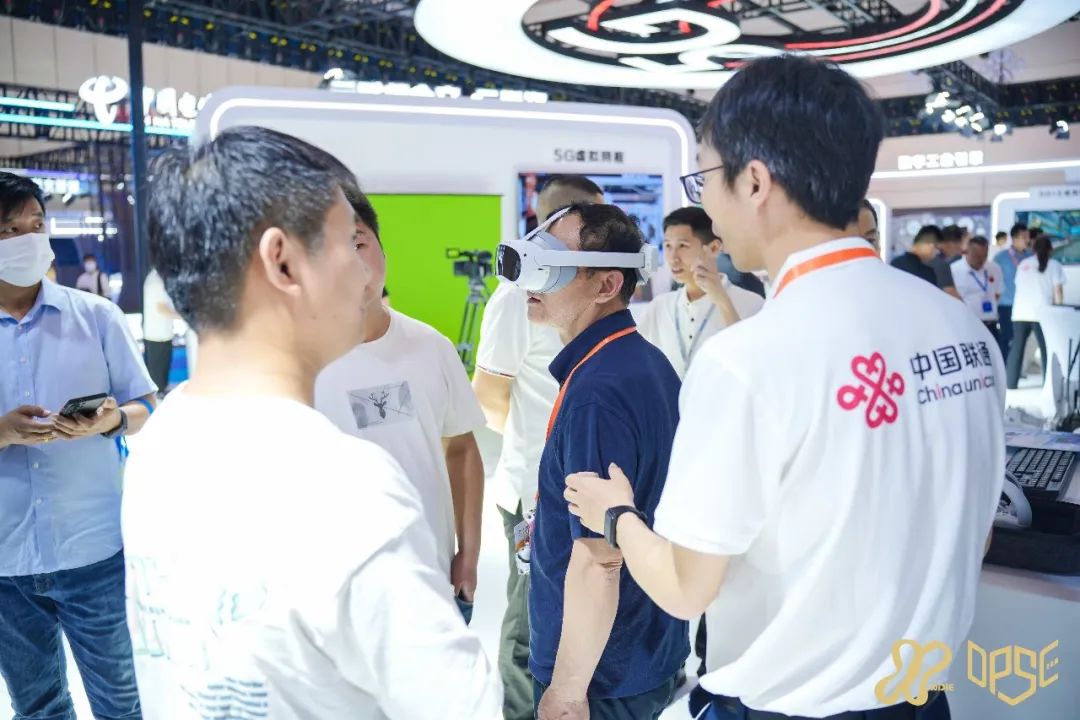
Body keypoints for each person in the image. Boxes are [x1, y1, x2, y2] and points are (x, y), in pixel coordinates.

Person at [565, 55, 1003, 720]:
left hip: (787, 707)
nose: (706, 204)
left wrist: (615, 514)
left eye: (705, 178)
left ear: (755, 181)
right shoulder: (963, 331)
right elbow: (977, 533)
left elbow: (685, 587)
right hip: (921, 698)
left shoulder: (747, 359)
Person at [123, 126, 501, 718]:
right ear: (283, 262)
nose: (364, 273)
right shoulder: (345, 486)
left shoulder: (161, 441)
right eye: (347, 242)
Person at [505, 202, 687, 720]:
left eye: (551, 265)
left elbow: (599, 558)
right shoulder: (640, 362)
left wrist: (566, 691)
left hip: (600, 677)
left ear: (606, 285)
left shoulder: (598, 393)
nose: (530, 280)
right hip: (641, 650)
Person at [0, 171, 157, 719]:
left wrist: (111, 421)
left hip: (93, 550)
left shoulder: (96, 317)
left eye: (35, 224)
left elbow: (145, 406)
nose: (27, 238)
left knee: (120, 704)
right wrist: (4, 432)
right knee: (38, 707)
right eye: (9, 229)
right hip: (5, 562)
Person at [315, 185, 487, 625]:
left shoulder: (431, 346)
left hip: (432, 579)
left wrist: (469, 553)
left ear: (382, 251)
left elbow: (462, 447)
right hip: (339, 597)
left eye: (358, 244)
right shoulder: (301, 363)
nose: (351, 264)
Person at [472, 174, 603, 720]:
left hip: (586, 488)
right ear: (558, 223)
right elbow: (489, 394)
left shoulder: (591, 287)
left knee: (582, 616)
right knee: (531, 625)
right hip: (534, 491)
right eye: (594, 220)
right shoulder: (516, 296)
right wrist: (543, 451)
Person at [638, 206, 764, 379]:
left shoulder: (752, 303)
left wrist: (722, 300)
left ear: (713, 248)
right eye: (667, 245)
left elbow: (753, 366)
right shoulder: (658, 308)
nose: (673, 258)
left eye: (683, 246)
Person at [1007, 233, 1065, 389]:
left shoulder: (1024, 264)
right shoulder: (1054, 265)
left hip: (1020, 312)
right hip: (1043, 313)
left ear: (1033, 249)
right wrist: (1059, 311)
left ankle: (1010, 383)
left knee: (1017, 348)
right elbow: (1058, 292)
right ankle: (1048, 383)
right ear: (1050, 250)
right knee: (1046, 348)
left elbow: (1017, 285)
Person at [993, 223, 1032, 362]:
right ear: (1014, 238)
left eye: (1028, 237)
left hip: (1025, 305)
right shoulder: (1000, 258)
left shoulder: (1031, 257)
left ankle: (1015, 368)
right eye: (1023, 237)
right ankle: (1003, 366)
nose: (1027, 240)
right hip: (1006, 304)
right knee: (1006, 337)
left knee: (1020, 340)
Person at [951, 235, 1002, 341]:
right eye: (977, 256)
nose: (981, 260)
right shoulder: (954, 270)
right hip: (967, 324)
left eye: (985, 256)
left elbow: (998, 293)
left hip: (990, 322)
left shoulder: (994, 268)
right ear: (967, 252)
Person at [143, 268, 180, 397]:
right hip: (158, 333)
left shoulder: (156, 278)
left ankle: (161, 391)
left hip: (160, 331)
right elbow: (161, 308)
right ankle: (158, 395)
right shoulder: (156, 281)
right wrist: (182, 316)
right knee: (158, 373)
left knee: (161, 372)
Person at [926, 225, 962, 298]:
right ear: (951, 244)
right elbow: (952, 295)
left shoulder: (928, 257)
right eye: (959, 245)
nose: (960, 249)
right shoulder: (941, 265)